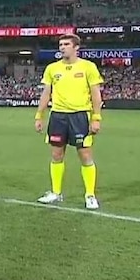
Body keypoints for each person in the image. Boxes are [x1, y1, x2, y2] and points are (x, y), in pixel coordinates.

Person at [34, 33, 104, 210]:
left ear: (76, 47)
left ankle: (90, 195)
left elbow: (96, 94)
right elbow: (46, 93)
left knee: (85, 155)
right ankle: (56, 193)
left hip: (80, 116)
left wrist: (96, 117)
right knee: (56, 155)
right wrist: (39, 115)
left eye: (66, 44)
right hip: (58, 116)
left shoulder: (88, 67)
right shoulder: (52, 68)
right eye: (60, 44)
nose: (62, 47)